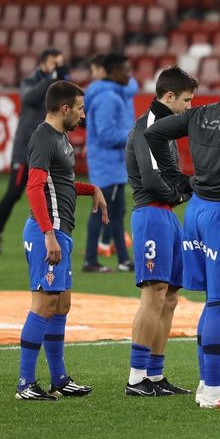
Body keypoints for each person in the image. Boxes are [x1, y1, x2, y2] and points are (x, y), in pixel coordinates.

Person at [145, 70, 220, 409]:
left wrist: (179, 179)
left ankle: (205, 384)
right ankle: (213, 389)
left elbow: (154, 133)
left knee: (211, 302)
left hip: (196, 212)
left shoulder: (200, 112)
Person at [14, 80, 109, 400]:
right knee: (44, 304)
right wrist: (48, 234)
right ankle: (25, 383)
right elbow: (34, 187)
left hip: (59, 233)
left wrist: (91, 189)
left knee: (61, 304)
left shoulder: (61, 138)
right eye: (80, 108)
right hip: (48, 233)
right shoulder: (43, 137)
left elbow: (62, 183)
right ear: (65, 108)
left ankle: (59, 378)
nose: (83, 114)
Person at [124, 67, 198, 397]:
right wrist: (181, 194)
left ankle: (155, 374)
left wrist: (184, 190)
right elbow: (153, 180)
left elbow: (174, 175)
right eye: (186, 100)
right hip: (151, 215)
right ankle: (136, 376)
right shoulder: (148, 127)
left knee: (169, 297)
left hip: (167, 217)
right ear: (169, 97)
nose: (188, 107)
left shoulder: (165, 129)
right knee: (153, 293)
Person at [0, 48, 67, 255]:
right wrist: (51, 79)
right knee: (14, 193)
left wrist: (61, 80)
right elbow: (29, 98)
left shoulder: (59, 84)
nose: (57, 67)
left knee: (50, 194)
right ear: (44, 63)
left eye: (60, 63)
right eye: (54, 63)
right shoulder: (32, 80)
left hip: (47, 149)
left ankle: (50, 237)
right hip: (25, 149)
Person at [82, 52, 136, 273]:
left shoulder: (111, 94)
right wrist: (133, 136)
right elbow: (106, 134)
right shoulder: (108, 98)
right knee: (101, 211)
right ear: (113, 72)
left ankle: (123, 259)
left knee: (116, 212)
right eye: (125, 70)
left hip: (112, 165)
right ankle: (90, 260)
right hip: (108, 165)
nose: (129, 75)